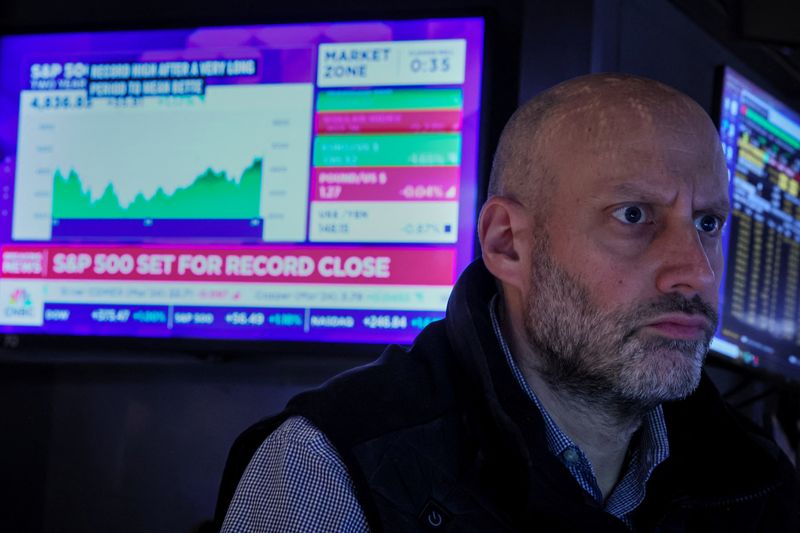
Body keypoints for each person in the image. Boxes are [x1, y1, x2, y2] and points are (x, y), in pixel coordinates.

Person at [213, 74, 798, 532]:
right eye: (634, 216)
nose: (694, 270)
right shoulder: (329, 467)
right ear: (507, 243)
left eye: (708, 222)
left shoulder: (757, 479)